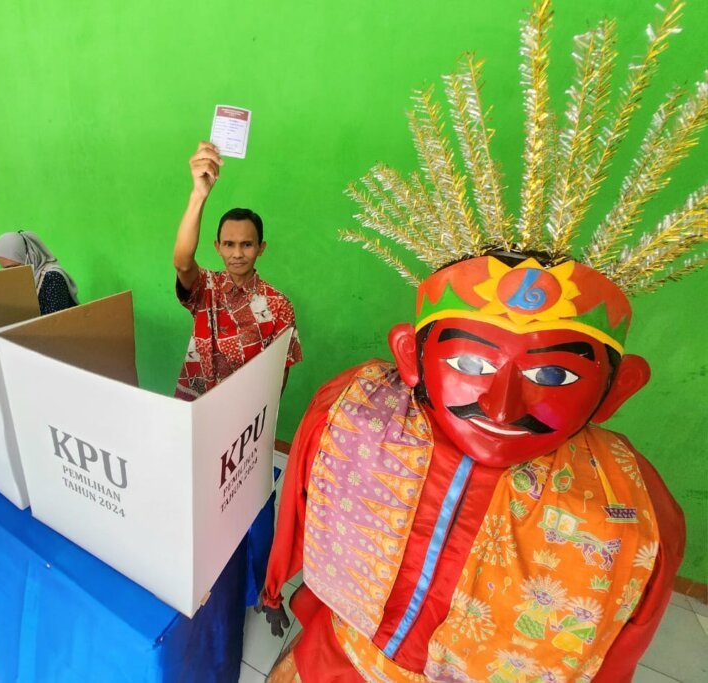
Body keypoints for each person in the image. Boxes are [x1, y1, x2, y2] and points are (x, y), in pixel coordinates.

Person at [259, 3, 697, 680]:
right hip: (337, 658)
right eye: (468, 362)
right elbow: (299, 519)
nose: (500, 399)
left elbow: (616, 650)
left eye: (551, 375)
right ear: (411, 356)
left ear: (614, 389)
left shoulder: (627, 507)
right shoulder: (354, 413)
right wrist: (276, 589)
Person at [172, 141, 302, 401]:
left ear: (260, 248)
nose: (238, 253)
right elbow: (183, 262)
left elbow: (280, 374)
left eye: (247, 244)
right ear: (218, 247)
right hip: (195, 406)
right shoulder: (206, 288)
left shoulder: (278, 305)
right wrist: (198, 195)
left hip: (243, 417)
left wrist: (259, 418)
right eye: (229, 244)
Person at [0, 230, 78, 315]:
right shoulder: (24, 278)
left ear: (29, 257)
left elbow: (55, 322)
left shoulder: (53, 278)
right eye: (4, 268)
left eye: (13, 267)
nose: (9, 274)